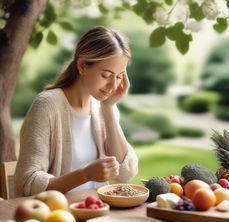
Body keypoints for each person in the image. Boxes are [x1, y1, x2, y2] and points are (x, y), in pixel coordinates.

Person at [14, 26, 138, 196]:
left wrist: (108, 108)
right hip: (58, 215)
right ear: (82, 66)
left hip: (97, 210)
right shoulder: (47, 105)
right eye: (106, 75)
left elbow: (126, 173)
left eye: (118, 76)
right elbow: (27, 182)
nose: (113, 86)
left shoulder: (103, 106)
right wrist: (85, 175)